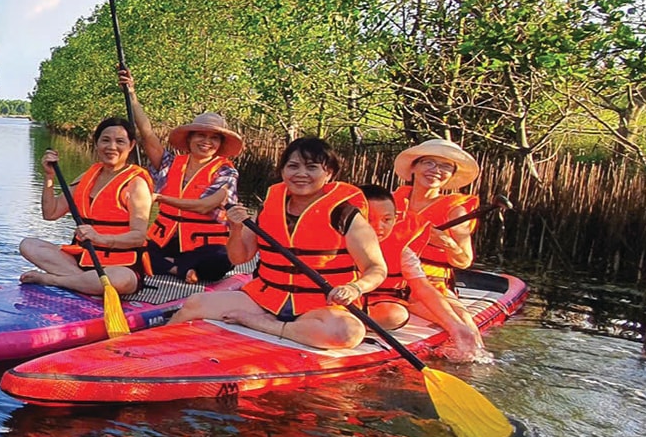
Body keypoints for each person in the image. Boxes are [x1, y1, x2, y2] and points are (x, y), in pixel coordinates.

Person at [171, 136, 384, 350]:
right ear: (283, 172)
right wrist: (235, 229)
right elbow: (239, 257)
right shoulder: (270, 205)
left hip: (320, 305)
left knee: (347, 333)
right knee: (195, 303)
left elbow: (376, 268)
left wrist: (355, 288)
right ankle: (141, 354)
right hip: (266, 298)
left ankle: (268, 326)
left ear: (328, 173)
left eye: (312, 168)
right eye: (293, 166)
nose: (301, 174)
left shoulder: (345, 214)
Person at [117, 68, 243, 282]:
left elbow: (206, 205)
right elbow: (147, 135)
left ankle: (172, 267)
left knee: (222, 259)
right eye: (201, 135)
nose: (206, 141)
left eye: (214, 138)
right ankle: (179, 269)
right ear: (190, 138)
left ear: (221, 144)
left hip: (205, 246)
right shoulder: (172, 162)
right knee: (132, 250)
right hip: (165, 240)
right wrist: (131, 94)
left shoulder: (226, 171)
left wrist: (160, 198)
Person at [19, 116, 152, 297]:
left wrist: (100, 238)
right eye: (105, 140)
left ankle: (54, 280)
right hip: (81, 259)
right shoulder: (86, 177)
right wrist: (49, 177)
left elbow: (138, 237)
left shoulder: (136, 184)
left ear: (131, 145)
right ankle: (86, 282)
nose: (111, 147)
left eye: (120, 141)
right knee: (28, 245)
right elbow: (50, 213)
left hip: (121, 265)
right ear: (96, 143)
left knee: (120, 279)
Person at [360, 183, 486, 361]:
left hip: (398, 294)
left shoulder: (402, 249)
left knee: (397, 315)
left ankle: (473, 352)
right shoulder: (333, 236)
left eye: (387, 220)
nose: (379, 227)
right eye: (369, 219)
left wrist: (455, 325)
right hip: (334, 302)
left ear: (395, 219)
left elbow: (423, 287)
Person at [392, 137, 481, 287]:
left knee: (458, 313)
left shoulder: (456, 211)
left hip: (432, 284)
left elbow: (464, 262)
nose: (436, 170)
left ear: (452, 175)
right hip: (387, 280)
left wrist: (446, 243)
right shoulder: (390, 202)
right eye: (428, 162)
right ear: (413, 167)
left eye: (446, 166)